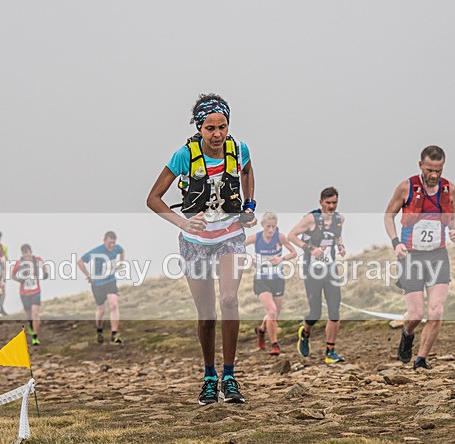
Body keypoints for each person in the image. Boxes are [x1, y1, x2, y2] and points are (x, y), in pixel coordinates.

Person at [147, 93, 256, 405]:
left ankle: (230, 376)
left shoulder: (239, 149)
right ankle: (210, 377)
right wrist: (183, 223)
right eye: (210, 128)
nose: (217, 134)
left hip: (230, 236)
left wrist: (249, 205)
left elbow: (247, 172)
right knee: (207, 315)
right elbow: (153, 198)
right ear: (199, 128)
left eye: (222, 127)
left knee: (230, 299)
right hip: (196, 244)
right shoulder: (184, 155)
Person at [384, 145, 455, 370]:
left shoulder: (450, 189)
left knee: (436, 311)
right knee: (416, 314)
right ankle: (407, 333)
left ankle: (421, 360)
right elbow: (388, 216)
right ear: (421, 165)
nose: (434, 175)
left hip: (438, 255)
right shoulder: (406, 187)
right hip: (411, 256)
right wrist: (396, 242)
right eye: (429, 170)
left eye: (438, 170)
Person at [288, 187, 347, 364]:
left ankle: (330, 352)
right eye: (328, 203)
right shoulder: (311, 219)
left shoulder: (339, 219)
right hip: (312, 270)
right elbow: (291, 235)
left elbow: (337, 236)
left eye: (334, 203)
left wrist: (341, 246)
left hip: (331, 269)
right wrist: (310, 248)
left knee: (334, 311)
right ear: (321, 202)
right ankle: (305, 332)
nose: (331, 206)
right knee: (315, 313)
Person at [244, 212, 296, 356]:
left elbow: (294, 253)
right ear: (263, 225)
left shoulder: (280, 237)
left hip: (278, 279)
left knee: (274, 315)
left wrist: (282, 259)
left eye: (273, 226)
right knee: (272, 311)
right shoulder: (256, 237)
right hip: (261, 280)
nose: (271, 229)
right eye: (268, 226)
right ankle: (275, 345)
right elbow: (238, 247)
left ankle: (261, 330)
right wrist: (250, 260)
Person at [78, 231, 125, 345]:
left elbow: (122, 251)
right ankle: (99, 330)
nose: (112, 245)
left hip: (111, 282)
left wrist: (120, 263)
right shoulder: (97, 251)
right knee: (101, 309)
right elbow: (80, 261)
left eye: (113, 243)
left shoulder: (116, 248)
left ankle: (114, 334)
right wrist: (88, 275)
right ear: (104, 241)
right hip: (98, 284)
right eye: (109, 243)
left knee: (114, 305)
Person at [11, 244, 50, 346]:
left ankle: (35, 337)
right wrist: (19, 280)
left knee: (35, 313)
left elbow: (44, 266)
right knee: (29, 314)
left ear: (30, 252)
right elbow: (12, 275)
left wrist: (46, 274)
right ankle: (31, 325)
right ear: (22, 254)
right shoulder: (19, 263)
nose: (26, 255)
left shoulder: (37, 260)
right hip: (24, 292)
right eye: (24, 253)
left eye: (27, 252)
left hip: (36, 291)